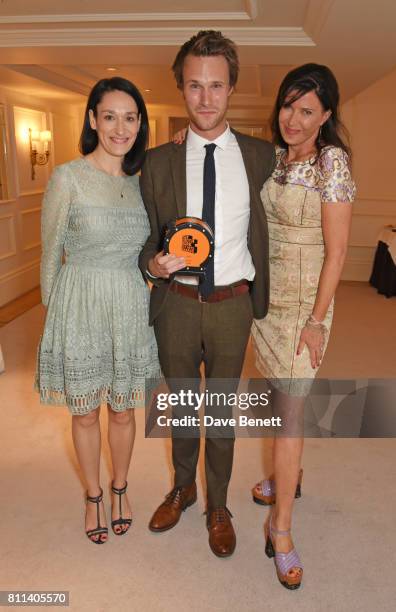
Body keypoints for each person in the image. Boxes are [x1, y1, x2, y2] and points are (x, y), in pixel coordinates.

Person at [138, 30, 275, 558]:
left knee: (218, 410)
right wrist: (152, 263)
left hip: (232, 304)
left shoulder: (262, 157)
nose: (206, 98)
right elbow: (148, 238)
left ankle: (219, 503)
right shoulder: (158, 162)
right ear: (181, 88)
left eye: (216, 86)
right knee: (179, 404)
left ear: (232, 88)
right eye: (194, 86)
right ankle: (182, 487)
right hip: (175, 302)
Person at [36, 77, 161, 544]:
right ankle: (93, 495)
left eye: (130, 117)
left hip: (128, 303)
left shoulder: (142, 181)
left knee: (124, 411)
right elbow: (50, 255)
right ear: (92, 120)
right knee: (86, 412)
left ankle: (121, 487)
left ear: (139, 124)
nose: (120, 127)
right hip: (80, 305)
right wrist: (56, 326)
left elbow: (149, 249)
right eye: (109, 116)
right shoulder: (67, 177)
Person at [250, 64, 356, 589]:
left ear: (326, 116)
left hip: (306, 308)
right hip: (266, 304)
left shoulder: (330, 162)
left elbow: (337, 254)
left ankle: (281, 528)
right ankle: (284, 478)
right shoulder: (272, 159)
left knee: (289, 415)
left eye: (307, 110)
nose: (293, 119)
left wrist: (316, 322)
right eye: (288, 106)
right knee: (276, 404)